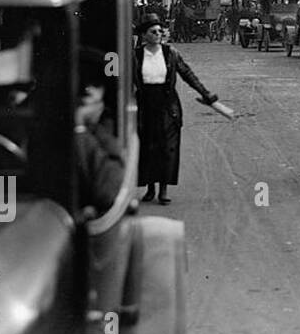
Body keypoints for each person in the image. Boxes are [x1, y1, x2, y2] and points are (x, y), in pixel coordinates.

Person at [133, 12, 219, 204]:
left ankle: (163, 189)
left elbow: (187, 74)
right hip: (145, 104)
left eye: (160, 31)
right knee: (147, 146)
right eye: (153, 31)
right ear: (144, 35)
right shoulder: (136, 55)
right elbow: (122, 78)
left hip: (167, 105)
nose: (158, 34)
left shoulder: (170, 53)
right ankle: (150, 188)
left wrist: (206, 94)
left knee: (167, 147)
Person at [74, 47, 126, 215]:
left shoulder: (104, 137)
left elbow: (106, 194)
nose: (87, 90)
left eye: (95, 83)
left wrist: (79, 129)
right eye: (80, 82)